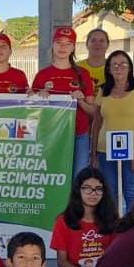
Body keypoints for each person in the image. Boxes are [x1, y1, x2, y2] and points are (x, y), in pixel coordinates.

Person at [92, 49, 134, 213]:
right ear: (109, 69)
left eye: (123, 64)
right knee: (109, 193)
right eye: (114, 65)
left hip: (132, 151)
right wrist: (93, 154)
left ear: (130, 68)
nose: (119, 68)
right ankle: (112, 225)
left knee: (131, 191)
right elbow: (97, 123)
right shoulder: (103, 90)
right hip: (105, 150)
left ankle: (132, 226)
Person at [51, 168, 118, 267]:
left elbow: (115, 257)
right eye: (87, 188)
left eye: (98, 189)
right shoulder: (64, 221)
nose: (93, 193)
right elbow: (62, 262)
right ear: (78, 190)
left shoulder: (112, 220)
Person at [31, 27, 98, 173]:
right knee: (52, 174)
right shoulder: (42, 75)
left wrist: (81, 100)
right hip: (51, 134)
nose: (63, 47)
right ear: (52, 45)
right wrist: (39, 97)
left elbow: (93, 111)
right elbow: (31, 111)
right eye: (59, 42)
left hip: (79, 134)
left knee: (79, 176)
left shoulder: (83, 74)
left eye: (68, 44)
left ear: (73, 48)